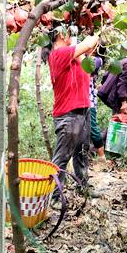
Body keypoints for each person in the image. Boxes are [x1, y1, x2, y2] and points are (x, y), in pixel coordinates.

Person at [45, 26, 100, 190]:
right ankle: (53, 195)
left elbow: (87, 60)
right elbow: (89, 43)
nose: (73, 36)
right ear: (61, 34)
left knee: (82, 153)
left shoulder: (74, 57)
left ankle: (82, 188)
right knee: (62, 157)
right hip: (69, 114)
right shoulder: (58, 54)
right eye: (70, 33)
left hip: (83, 111)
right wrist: (99, 31)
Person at [88, 56, 106, 164]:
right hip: (83, 100)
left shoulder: (97, 60)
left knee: (93, 128)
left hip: (90, 101)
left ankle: (102, 157)